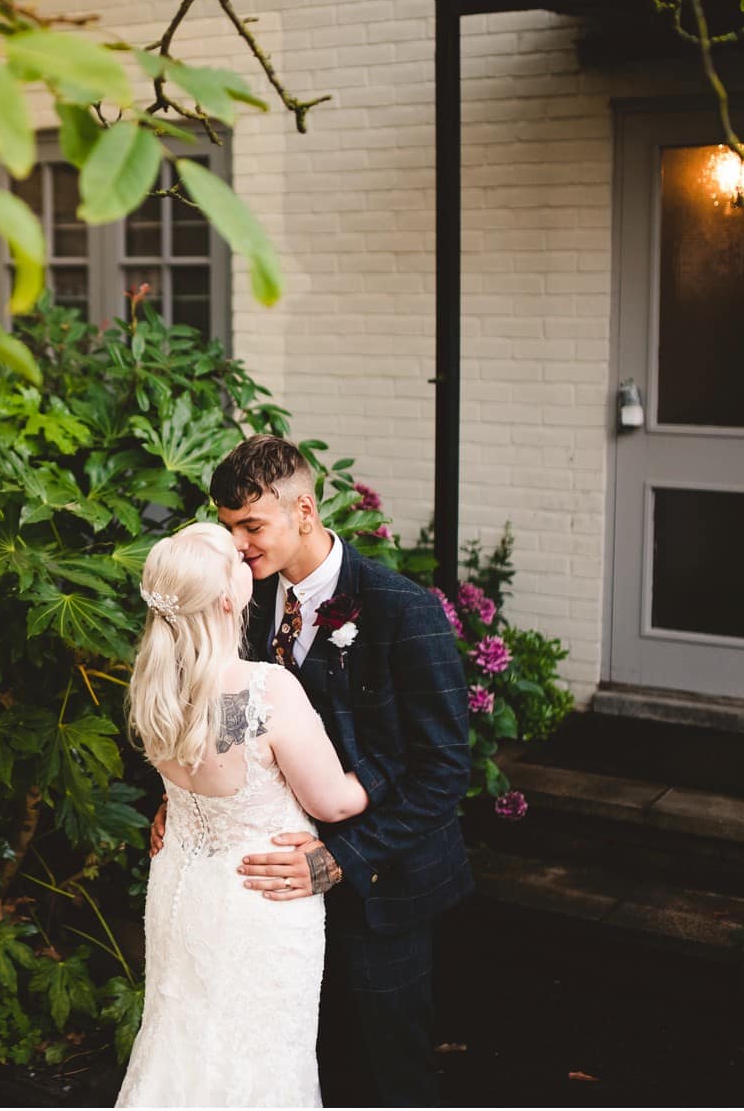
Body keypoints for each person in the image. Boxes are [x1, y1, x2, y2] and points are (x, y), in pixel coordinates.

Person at [148, 434, 472, 1107]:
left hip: (381, 883)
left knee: (389, 1073)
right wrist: (204, 801)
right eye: (230, 528)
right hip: (268, 904)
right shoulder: (243, 599)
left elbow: (443, 773)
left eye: (251, 525)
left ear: (304, 509)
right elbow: (239, 724)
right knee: (300, 1064)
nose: (238, 545)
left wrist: (339, 858)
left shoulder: (403, 611)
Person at [115, 522, 370, 1109]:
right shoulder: (262, 691)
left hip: (183, 889)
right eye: (234, 555)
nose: (246, 554)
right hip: (261, 897)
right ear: (230, 597)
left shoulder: (159, 686)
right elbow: (330, 800)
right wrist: (385, 775)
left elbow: (214, 761)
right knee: (259, 1062)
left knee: (181, 1046)